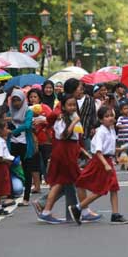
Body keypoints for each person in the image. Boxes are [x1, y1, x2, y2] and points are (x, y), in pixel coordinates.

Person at [70, 106, 128, 225]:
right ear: (101, 120)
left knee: (114, 188)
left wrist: (118, 150)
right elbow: (98, 151)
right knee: (101, 189)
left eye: (111, 115)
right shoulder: (101, 131)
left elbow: (108, 147)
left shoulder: (111, 129)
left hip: (107, 160)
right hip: (101, 161)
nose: (110, 118)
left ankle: (115, 214)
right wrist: (105, 164)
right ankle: (78, 207)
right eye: (106, 116)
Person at [38, 94, 83, 224]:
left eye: (74, 105)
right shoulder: (62, 119)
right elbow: (64, 135)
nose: (72, 107)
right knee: (78, 180)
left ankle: (46, 211)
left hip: (69, 150)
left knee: (59, 182)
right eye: (69, 105)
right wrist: (74, 122)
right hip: (64, 152)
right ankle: (82, 209)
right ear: (63, 106)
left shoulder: (72, 117)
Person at [7, 89, 35, 207]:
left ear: (23, 100)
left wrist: (13, 131)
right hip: (12, 143)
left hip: (25, 144)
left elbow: (28, 125)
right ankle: (10, 196)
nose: (16, 103)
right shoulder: (10, 112)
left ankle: (26, 198)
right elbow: (5, 124)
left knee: (27, 170)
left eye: (18, 100)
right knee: (8, 169)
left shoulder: (28, 111)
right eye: (14, 100)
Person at [27, 88, 53, 191]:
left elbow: (52, 120)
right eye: (31, 97)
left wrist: (43, 121)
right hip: (33, 140)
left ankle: (51, 182)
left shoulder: (45, 108)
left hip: (46, 139)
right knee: (34, 163)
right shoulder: (28, 110)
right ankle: (37, 186)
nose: (33, 99)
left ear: (39, 98)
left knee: (48, 162)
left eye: (35, 97)